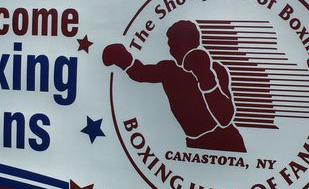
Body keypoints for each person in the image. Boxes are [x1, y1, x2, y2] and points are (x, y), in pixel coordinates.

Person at [103, 20, 246, 153]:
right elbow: (141, 73)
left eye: (175, 45)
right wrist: (122, 57)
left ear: (191, 44)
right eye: (170, 46)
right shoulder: (169, 70)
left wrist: (205, 75)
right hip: (194, 143)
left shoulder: (215, 69)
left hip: (225, 140)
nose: (172, 51)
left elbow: (225, 119)